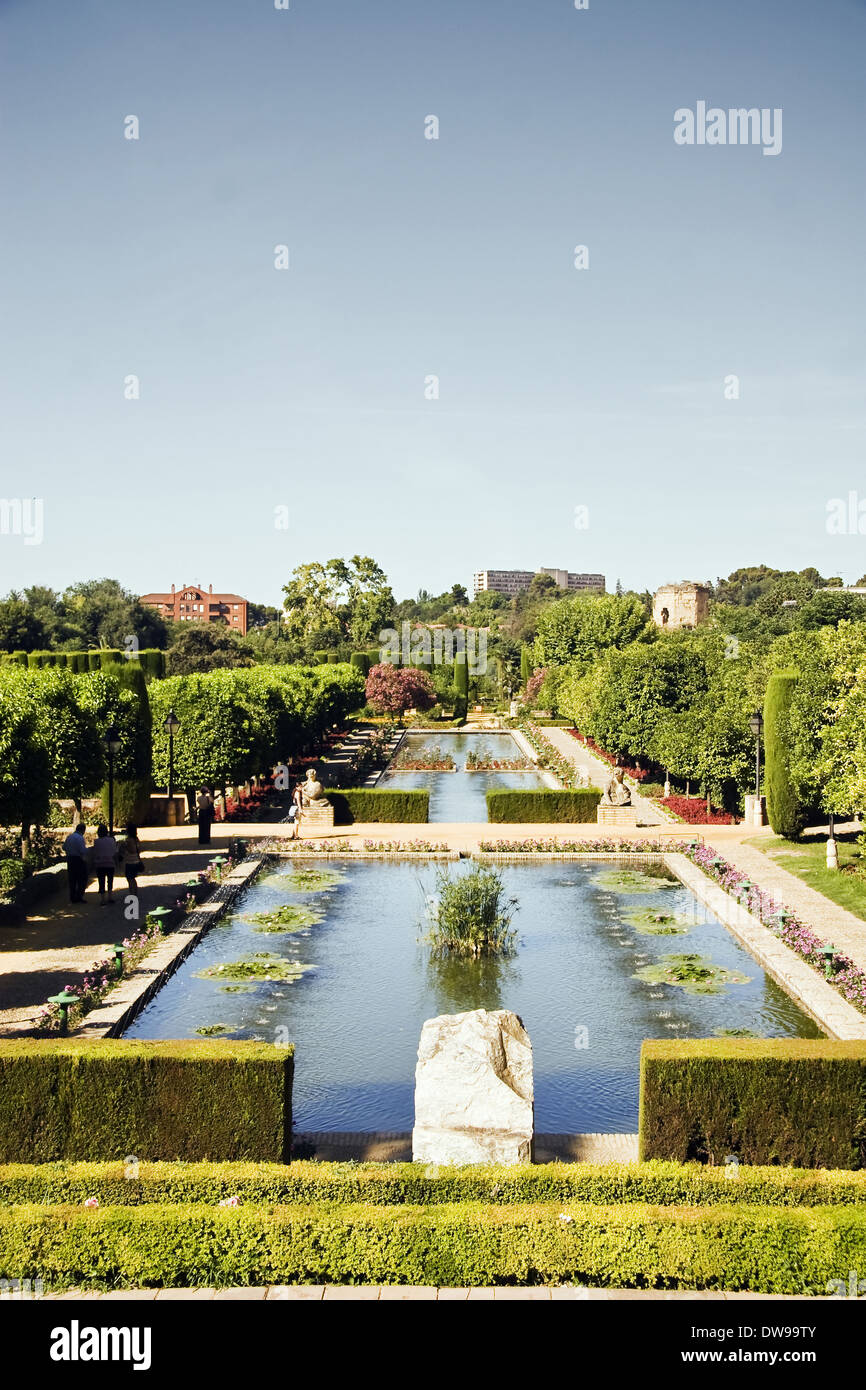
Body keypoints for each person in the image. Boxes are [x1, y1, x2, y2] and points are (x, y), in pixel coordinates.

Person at [92, 824, 118, 905]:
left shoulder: (96, 842)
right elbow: (115, 851)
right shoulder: (112, 840)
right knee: (110, 881)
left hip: (100, 864)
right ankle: (110, 897)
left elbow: (95, 853)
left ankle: (103, 899)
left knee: (101, 881)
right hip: (110, 863)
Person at [63, 822, 89, 903]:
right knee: (82, 879)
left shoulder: (69, 837)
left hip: (70, 859)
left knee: (72, 879)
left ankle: (72, 897)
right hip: (78, 860)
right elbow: (82, 850)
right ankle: (79, 896)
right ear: (83, 830)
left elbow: (64, 847)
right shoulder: (80, 838)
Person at [117, 823, 144, 895]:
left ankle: (132, 894)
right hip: (136, 861)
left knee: (130, 880)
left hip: (130, 862)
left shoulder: (128, 841)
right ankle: (135, 893)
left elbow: (131, 850)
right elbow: (139, 850)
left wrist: (124, 847)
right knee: (133, 879)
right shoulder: (136, 840)